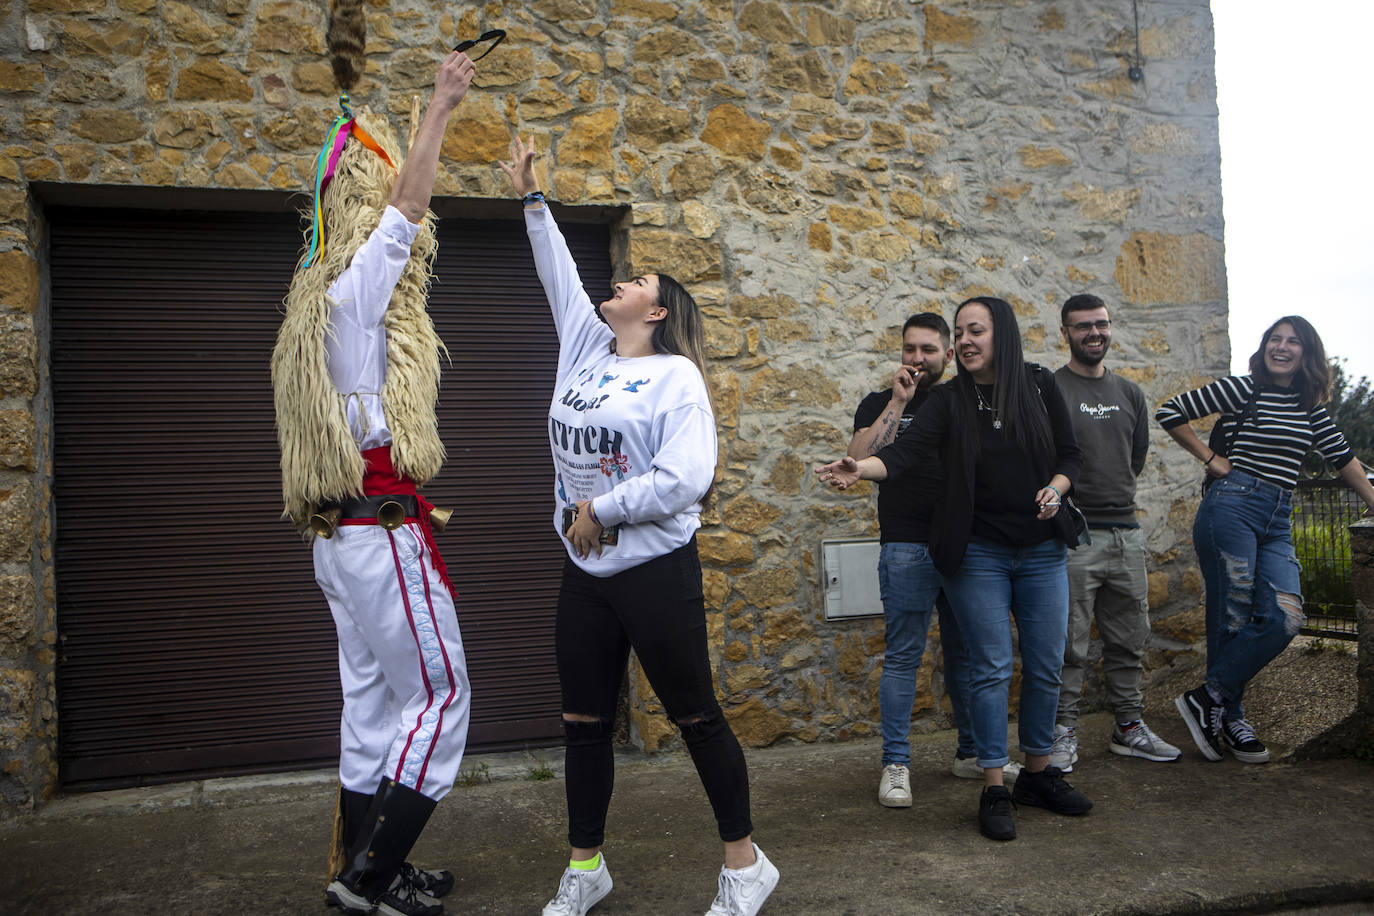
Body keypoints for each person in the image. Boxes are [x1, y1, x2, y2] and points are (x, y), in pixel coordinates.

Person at [498, 135, 779, 916]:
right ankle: (586, 867)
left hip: (654, 568)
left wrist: (599, 510)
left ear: (656, 312)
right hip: (584, 573)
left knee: (694, 715)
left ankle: (744, 864)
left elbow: (686, 478)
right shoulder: (586, 352)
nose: (616, 281)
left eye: (637, 281)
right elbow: (557, 273)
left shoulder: (674, 376)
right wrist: (531, 196)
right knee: (581, 722)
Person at [271, 7, 475, 913]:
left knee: (372, 712)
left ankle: (366, 870)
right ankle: (366, 881)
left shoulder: (304, 311)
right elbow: (408, 210)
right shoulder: (355, 295)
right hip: (381, 533)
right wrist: (438, 109)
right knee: (442, 698)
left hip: (336, 542)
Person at [817, 296, 1091, 842]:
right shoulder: (947, 401)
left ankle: (1037, 773)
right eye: (961, 333)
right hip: (976, 550)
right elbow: (903, 454)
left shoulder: (1038, 385)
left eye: (975, 332)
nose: (966, 342)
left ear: (1001, 336)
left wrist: (1056, 492)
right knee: (988, 666)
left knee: (1043, 665)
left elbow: (1070, 456)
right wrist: (860, 468)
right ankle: (992, 783)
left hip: (1040, 551)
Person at [1156, 315, 1374, 764]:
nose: (1282, 347)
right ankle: (1231, 718)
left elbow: (1343, 458)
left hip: (1278, 516)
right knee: (1233, 617)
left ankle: (1208, 698)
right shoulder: (1243, 388)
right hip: (1232, 506)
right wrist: (1212, 458)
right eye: (1275, 338)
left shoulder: (1310, 407)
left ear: (1307, 354)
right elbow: (1169, 411)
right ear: (1265, 347)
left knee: (1285, 617)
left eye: (1293, 342)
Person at [848, 312, 1020, 809]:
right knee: (904, 655)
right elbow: (858, 460)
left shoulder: (969, 399)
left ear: (949, 354)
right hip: (906, 544)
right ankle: (896, 765)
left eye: (928, 350)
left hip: (970, 547)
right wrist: (898, 403)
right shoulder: (882, 402)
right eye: (910, 349)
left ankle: (972, 753)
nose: (917, 359)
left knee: (970, 656)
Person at [1050, 295, 1181, 772]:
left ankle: (1129, 728)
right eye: (1083, 326)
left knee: (1130, 639)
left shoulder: (1129, 393)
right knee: (1068, 645)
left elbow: (1136, 459)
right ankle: (1061, 733)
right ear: (1064, 333)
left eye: (1101, 325)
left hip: (1126, 534)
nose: (1094, 333)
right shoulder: (1050, 389)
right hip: (1073, 538)